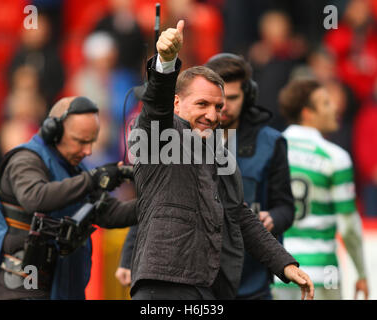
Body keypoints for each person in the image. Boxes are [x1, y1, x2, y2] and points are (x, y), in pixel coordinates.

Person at [126, 20, 314, 300]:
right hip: (164, 286)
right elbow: (156, 107)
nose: (212, 116)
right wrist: (166, 63)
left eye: (218, 107)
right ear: (176, 103)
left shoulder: (218, 152)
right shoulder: (161, 135)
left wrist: (284, 263)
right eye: (202, 104)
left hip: (206, 287)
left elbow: (238, 214)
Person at [0, 96, 137, 300]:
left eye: (91, 142)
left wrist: (156, 203)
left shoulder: (75, 170)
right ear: (54, 132)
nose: (88, 151)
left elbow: (110, 214)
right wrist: (93, 179)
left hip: (61, 288)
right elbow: (35, 198)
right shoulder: (24, 160)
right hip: (21, 288)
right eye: (81, 141)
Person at [204, 53, 295, 300]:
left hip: (253, 282)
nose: (224, 107)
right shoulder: (185, 141)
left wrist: (272, 218)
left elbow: (286, 207)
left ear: (249, 95)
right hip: (199, 284)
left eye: (232, 98)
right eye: (218, 100)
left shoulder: (271, 143)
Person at [272, 79, 369, 300]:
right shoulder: (335, 156)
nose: (334, 107)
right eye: (326, 103)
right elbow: (349, 227)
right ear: (307, 113)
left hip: (278, 273)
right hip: (325, 275)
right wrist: (362, 273)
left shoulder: (270, 150)